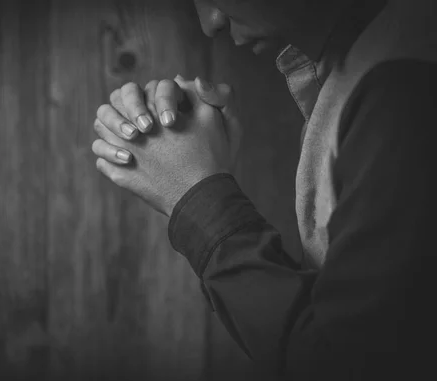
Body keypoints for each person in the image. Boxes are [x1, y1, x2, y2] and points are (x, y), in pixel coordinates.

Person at [91, 0, 437, 379]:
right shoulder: (372, 61)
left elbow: (345, 363)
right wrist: (204, 167)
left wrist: (198, 195)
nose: (210, 23)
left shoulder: (405, 91)